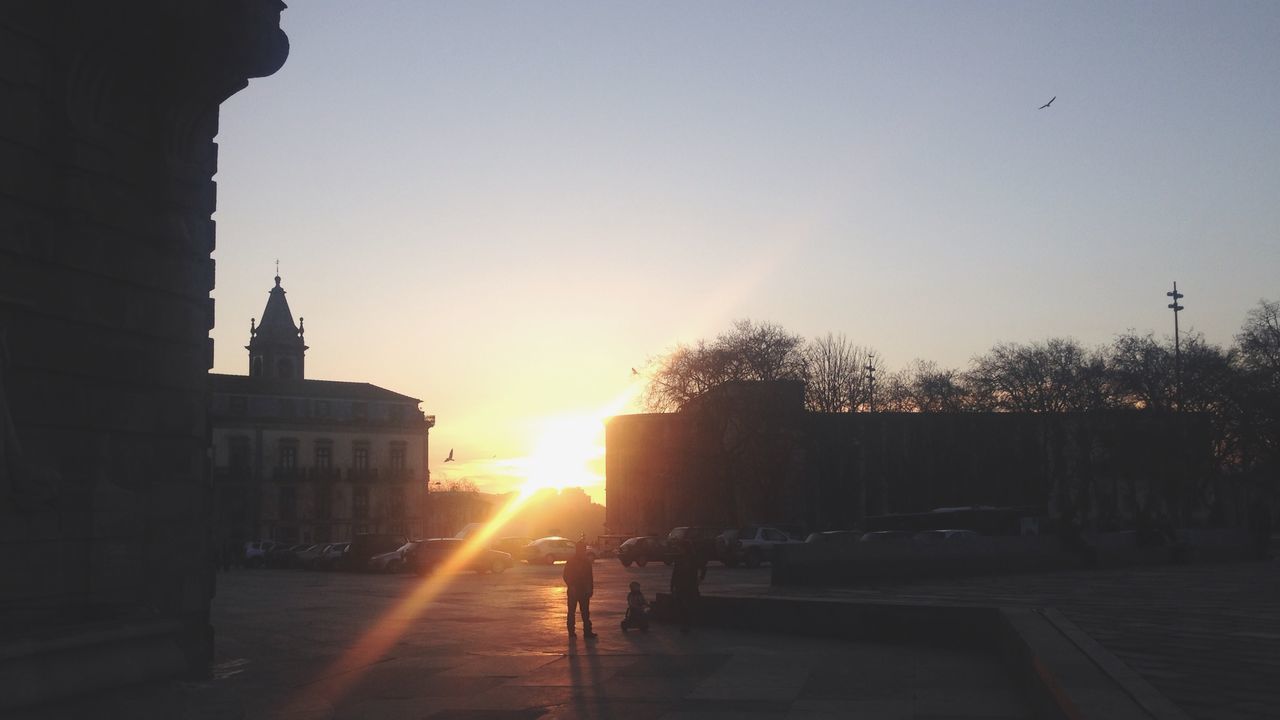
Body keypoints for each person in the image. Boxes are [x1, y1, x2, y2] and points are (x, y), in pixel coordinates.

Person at [669, 540, 706, 633]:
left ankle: (688, 624)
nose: (679, 549)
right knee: (682, 606)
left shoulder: (693, 558)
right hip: (681, 586)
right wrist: (672, 586)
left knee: (688, 606)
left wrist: (700, 579)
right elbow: (675, 573)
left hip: (690, 586)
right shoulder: (680, 558)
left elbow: (704, 568)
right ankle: (686, 624)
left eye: (680, 547)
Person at [562, 541, 596, 638]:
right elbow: (566, 576)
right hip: (575, 590)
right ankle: (572, 632)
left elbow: (590, 577)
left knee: (584, 612)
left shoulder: (585, 562)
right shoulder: (572, 561)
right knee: (574, 612)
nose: (583, 551)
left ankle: (586, 632)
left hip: (583, 590)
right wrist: (572, 585)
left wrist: (590, 589)